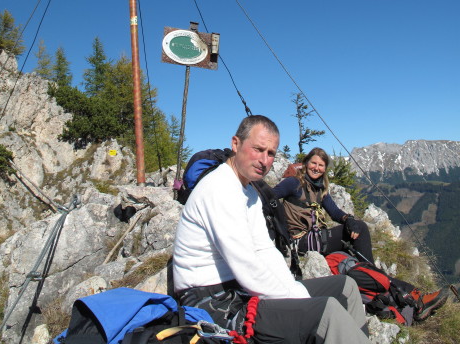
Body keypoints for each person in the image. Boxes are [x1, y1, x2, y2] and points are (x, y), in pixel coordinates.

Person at [173, 115, 372, 344]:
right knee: (326, 313)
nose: (264, 160)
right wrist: (297, 299)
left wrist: (292, 288)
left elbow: (265, 250)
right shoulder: (220, 189)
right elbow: (246, 265)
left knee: (345, 287)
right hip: (213, 301)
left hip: (240, 287)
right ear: (235, 144)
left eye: (270, 154)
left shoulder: (248, 192)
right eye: (258, 149)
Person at [273, 147, 450, 322]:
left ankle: (404, 294)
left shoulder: (319, 188)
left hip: (314, 237)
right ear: (305, 163)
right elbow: (270, 195)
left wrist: (348, 219)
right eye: (313, 163)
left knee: (356, 233)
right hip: (301, 241)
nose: (316, 168)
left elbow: (335, 212)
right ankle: (392, 284)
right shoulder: (294, 183)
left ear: (324, 169)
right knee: (362, 230)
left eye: (321, 165)